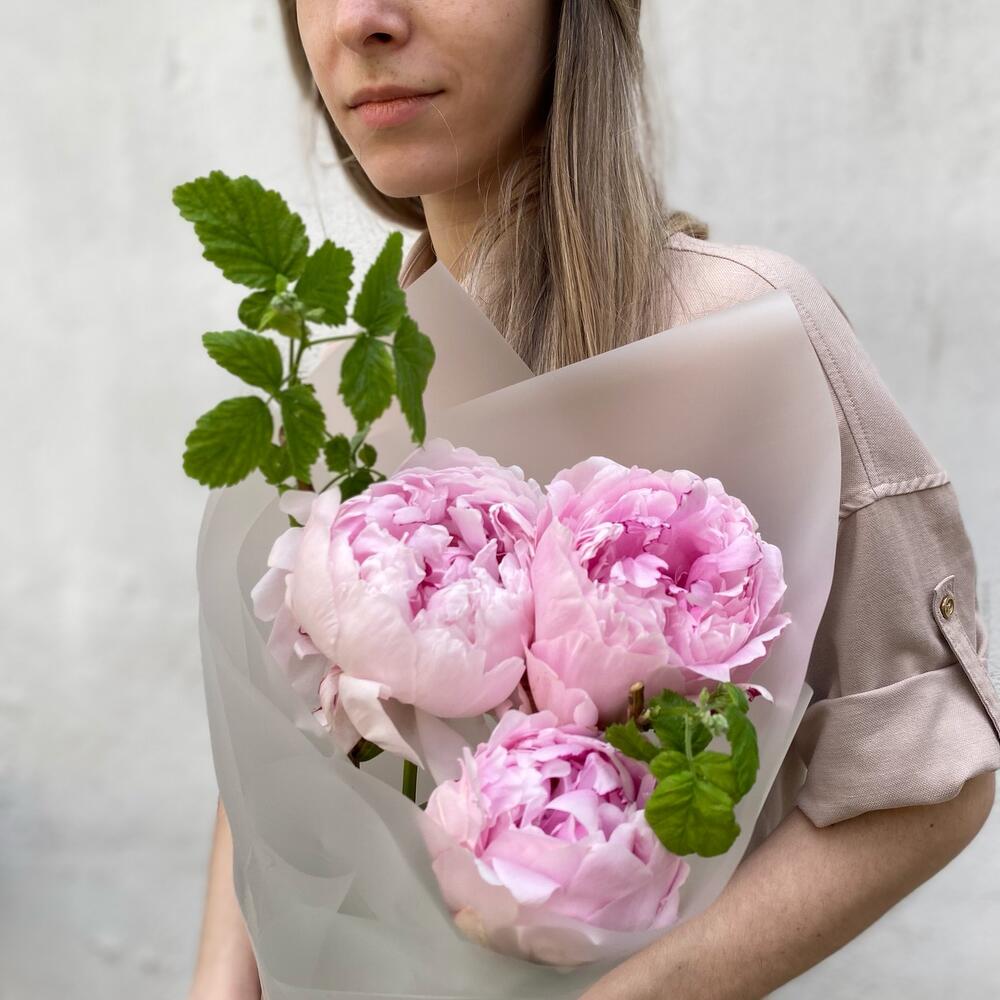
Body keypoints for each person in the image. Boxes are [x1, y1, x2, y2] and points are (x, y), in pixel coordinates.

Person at [187, 2, 1000, 998]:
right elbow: (280, 735)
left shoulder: (747, 342)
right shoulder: (342, 395)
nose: (363, 19)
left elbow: (926, 775)